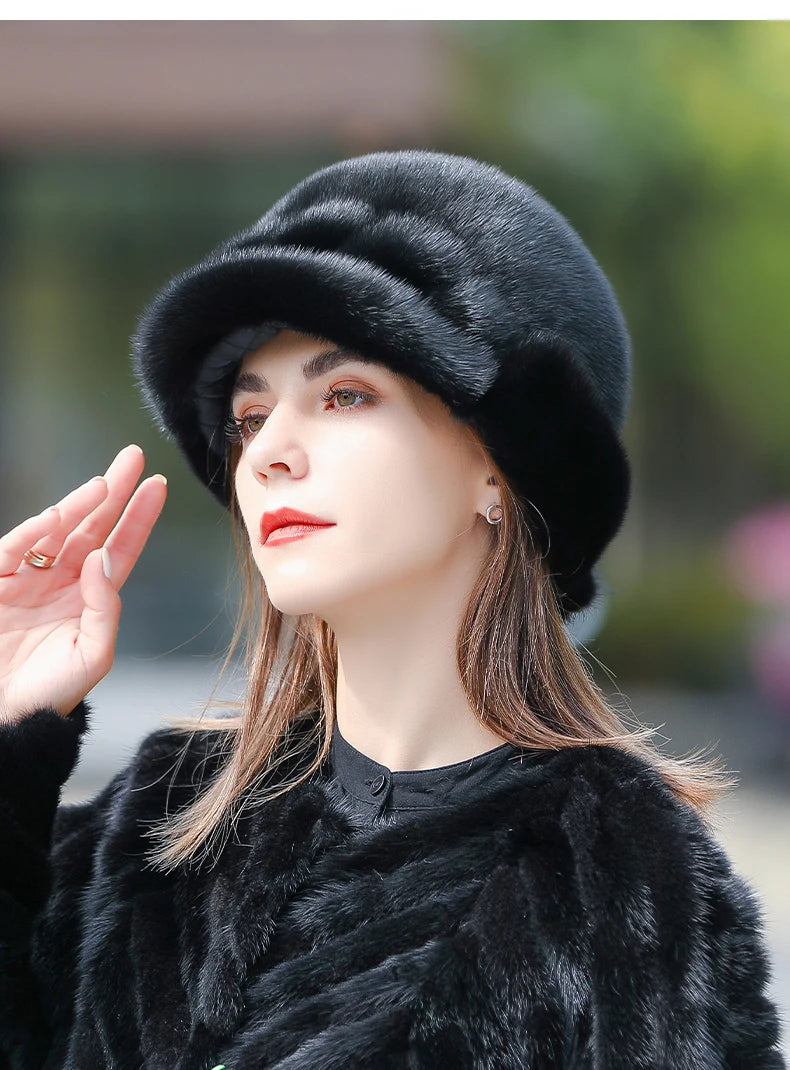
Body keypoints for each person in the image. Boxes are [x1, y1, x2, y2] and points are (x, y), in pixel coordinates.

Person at [0, 149, 785, 1069]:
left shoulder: (622, 879)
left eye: (344, 395)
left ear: (498, 467)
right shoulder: (159, 823)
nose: (269, 452)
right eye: (250, 417)